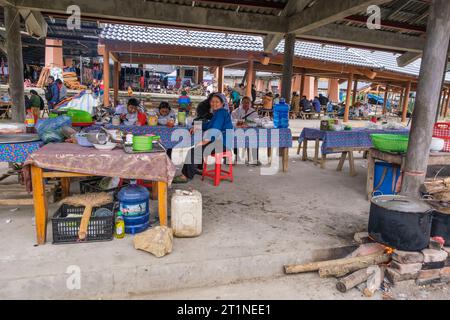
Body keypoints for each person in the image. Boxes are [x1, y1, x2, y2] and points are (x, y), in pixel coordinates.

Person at [174, 93, 233, 183]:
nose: (214, 104)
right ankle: (194, 169)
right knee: (196, 149)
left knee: (194, 151)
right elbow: (208, 125)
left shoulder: (221, 113)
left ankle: (186, 176)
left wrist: (205, 141)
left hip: (222, 144)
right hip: (221, 143)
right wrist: (197, 126)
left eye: (217, 102)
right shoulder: (218, 113)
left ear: (222, 104)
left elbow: (215, 129)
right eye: (212, 102)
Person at [232, 96, 260, 165]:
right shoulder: (236, 111)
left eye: (248, 103)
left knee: (256, 137)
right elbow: (232, 122)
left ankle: (255, 158)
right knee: (233, 137)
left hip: (250, 132)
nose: (246, 104)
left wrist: (248, 124)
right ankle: (236, 156)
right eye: (244, 102)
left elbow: (256, 122)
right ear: (241, 103)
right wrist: (240, 124)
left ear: (250, 103)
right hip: (238, 131)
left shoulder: (253, 112)